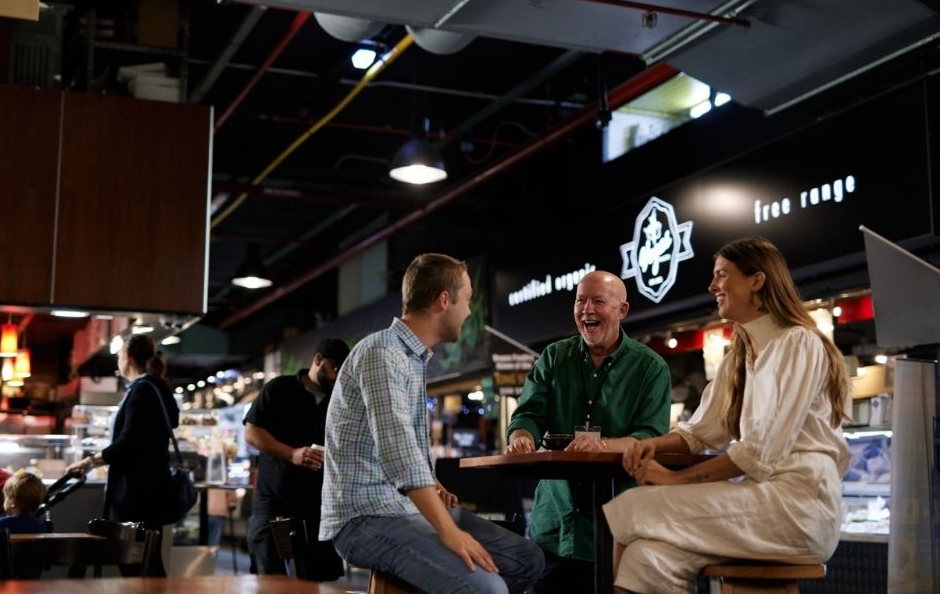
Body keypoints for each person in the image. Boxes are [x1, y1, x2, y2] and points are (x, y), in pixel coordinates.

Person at [605, 236, 852, 593]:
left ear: (757, 280)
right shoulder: (738, 357)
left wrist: (674, 480)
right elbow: (700, 433)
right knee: (646, 558)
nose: (712, 286)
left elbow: (758, 451)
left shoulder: (798, 342)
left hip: (799, 506)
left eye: (722, 274)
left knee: (630, 507)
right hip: (759, 499)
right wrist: (653, 445)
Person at [320, 253, 544, 594]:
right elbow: (398, 451)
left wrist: (433, 484)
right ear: (444, 300)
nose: (469, 311)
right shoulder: (383, 352)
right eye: (467, 300)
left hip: (403, 509)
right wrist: (448, 531)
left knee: (527, 559)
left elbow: (402, 448)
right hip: (364, 517)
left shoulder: (412, 357)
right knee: (489, 589)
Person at [504, 270, 671, 592]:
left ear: (622, 310)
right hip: (554, 523)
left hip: (618, 527)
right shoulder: (554, 357)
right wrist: (521, 436)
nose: (587, 310)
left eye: (598, 302)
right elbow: (527, 415)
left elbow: (651, 436)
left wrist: (603, 446)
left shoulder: (650, 367)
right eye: (580, 301)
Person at [244, 338, 351, 580]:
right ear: (318, 359)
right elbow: (252, 432)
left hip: (318, 504)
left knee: (318, 579)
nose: (337, 377)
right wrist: (292, 454)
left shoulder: (340, 400)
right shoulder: (280, 389)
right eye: (334, 368)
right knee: (270, 575)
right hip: (274, 501)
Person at [67, 334, 179, 535]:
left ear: (127, 357)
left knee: (131, 550)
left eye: (119, 355)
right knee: (146, 550)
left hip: (135, 491)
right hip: (153, 488)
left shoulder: (141, 390)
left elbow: (128, 443)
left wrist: (89, 461)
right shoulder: (159, 387)